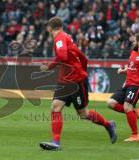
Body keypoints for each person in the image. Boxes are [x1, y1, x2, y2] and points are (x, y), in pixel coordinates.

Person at [39, 17, 117, 151]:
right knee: (55, 107)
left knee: (83, 114)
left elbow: (62, 56)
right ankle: (56, 143)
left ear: (49, 28)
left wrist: (49, 67)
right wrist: (82, 70)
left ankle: (108, 124)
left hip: (74, 81)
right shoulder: (66, 37)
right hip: (66, 80)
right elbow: (82, 57)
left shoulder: (59, 39)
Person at [107, 33, 139, 142]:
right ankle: (136, 112)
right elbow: (132, 67)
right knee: (110, 103)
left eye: (134, 41)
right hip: (127, 84)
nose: (132, 42)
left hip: (137, 85)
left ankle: (135, 135)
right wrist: (124, 71)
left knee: (127, 106)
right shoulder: (133, 52)